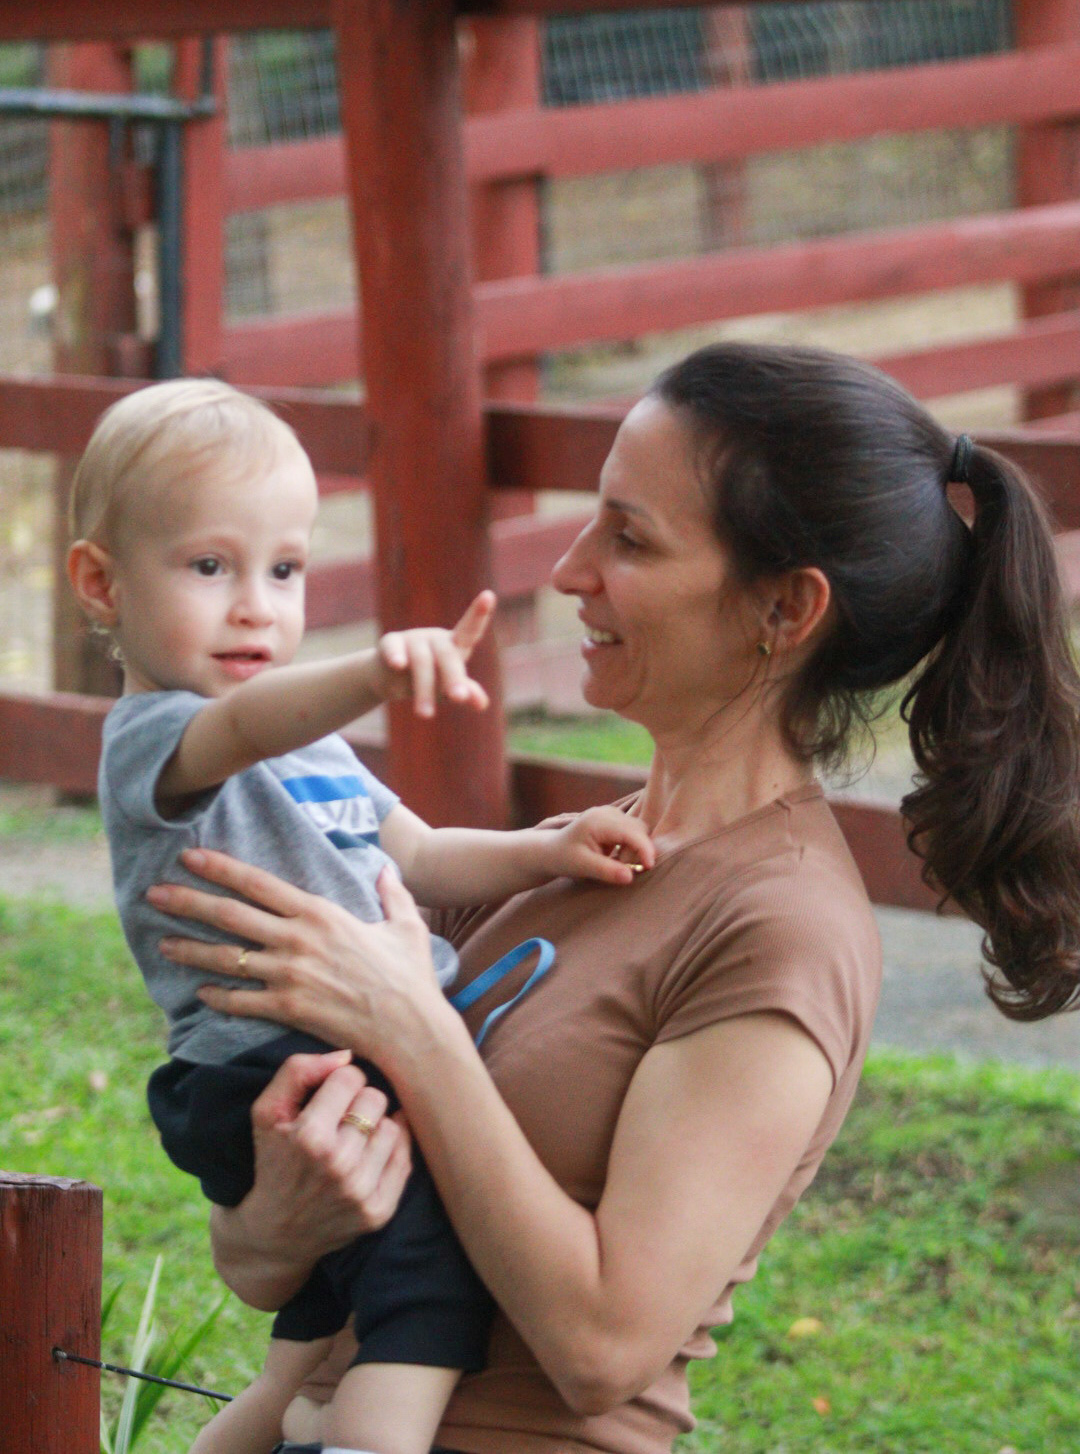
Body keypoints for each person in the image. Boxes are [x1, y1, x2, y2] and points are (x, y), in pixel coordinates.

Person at [149, 343, 1080, 1454]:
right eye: (591, 520)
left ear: (785, 608)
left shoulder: (781, 930)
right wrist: (278, 1214)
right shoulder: (556, 860)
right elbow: (257, 1266)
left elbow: (603, 1347)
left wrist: (411, 1030)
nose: (569, 569)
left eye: (630, 539)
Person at [66, 377, 655, 1454]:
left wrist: (543, 848)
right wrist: (375, 673)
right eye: (210, 567)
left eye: (285, 569)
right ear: (102, 583)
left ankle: (265, 1425)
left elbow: (418, 854)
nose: (258, 606)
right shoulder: (157, 736)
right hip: (273, 1062)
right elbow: (246, 725)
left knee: (318, 1330)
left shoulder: (314, 747)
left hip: (336, 1044)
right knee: (430, 1294)